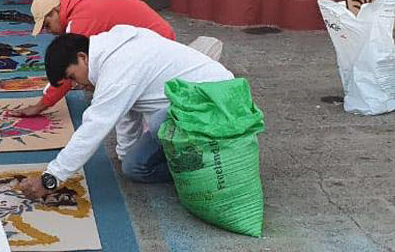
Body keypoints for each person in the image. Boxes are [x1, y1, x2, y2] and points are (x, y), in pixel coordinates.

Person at [17, 27, 233, 199]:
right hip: (205, 102)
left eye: (72, 76)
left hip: (216, 103)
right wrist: (126, 154)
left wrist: (51, 178)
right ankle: (196, 164)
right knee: (134, 167)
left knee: (161, 122)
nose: (76, 84)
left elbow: (94, 127)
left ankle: (207, 165)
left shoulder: (118, 66)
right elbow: (127, 111)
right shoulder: (113, 51)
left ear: (83, 57)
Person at [9, 0, 175, 117]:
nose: (49, 31)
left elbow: (66, 69)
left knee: (119, 101)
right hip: (153, 39)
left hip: (156, 46)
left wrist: (40, 106)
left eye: (47, 24)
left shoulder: (81, 21)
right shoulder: (81, 4)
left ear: (56, 10)